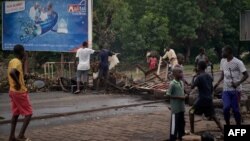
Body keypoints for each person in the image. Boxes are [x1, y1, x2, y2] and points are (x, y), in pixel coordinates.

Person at [214, 46, 249, 125]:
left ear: (229, 52)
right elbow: (222, 75)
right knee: (226, 108)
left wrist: (238, 83)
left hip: (236, 90)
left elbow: (246, 75)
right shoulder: (223, 61)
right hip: (226, 90)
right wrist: (217, 83)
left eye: (223, 52)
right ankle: (228, 125)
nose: (222, 53)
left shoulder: (238, 62)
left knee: (235, 110)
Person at [189, 61, 223, 133]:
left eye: (197, 66)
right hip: (209, 99)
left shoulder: (198, 77)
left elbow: (192, 86)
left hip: (201, 99)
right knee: (213, 116)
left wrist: (193, 77)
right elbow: (211, 89)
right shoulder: (209, 76)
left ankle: (192, 131)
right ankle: (222, 130)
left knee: (191, 112)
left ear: (198, 67)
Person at [8, 45, 33, 141]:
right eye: (24, 51)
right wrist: (18, 84)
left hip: (12, 91)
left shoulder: (13, 61)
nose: (25, 53)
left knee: (16, 113)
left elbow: (17, 73)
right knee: (29, 113)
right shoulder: (17, 62)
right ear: (22, 52)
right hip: (19, 92)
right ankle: (21, 135)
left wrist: (24, 61)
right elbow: (12, 73)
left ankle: (11, 137)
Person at [166, 65, 186, 141]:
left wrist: (185, 95)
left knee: (182, 124)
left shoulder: (181, 82)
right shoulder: (172, 84)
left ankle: (181, 137)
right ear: (174, 74)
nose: (181, 74)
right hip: (175, 109)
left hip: (181, 108)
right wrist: (179, 97)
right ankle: (172, 138)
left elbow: (182, 92)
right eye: (180, 72)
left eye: (182, 72)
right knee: (174, 125)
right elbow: (168, 95)